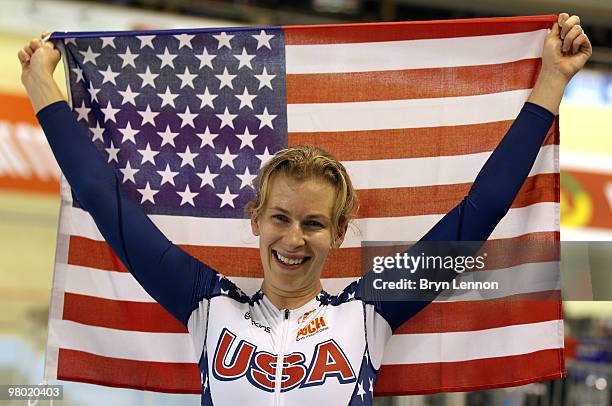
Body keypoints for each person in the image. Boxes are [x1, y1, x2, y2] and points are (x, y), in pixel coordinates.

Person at [18, 13, 591, 405]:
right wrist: (43, 87)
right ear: (256, 221)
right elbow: (104, 199)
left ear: (338, 233)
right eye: (282, 218)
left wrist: (552, 81)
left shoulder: (369, 310)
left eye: (314, 223)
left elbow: (479, 213)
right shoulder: (204, 302)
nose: (294, 239)